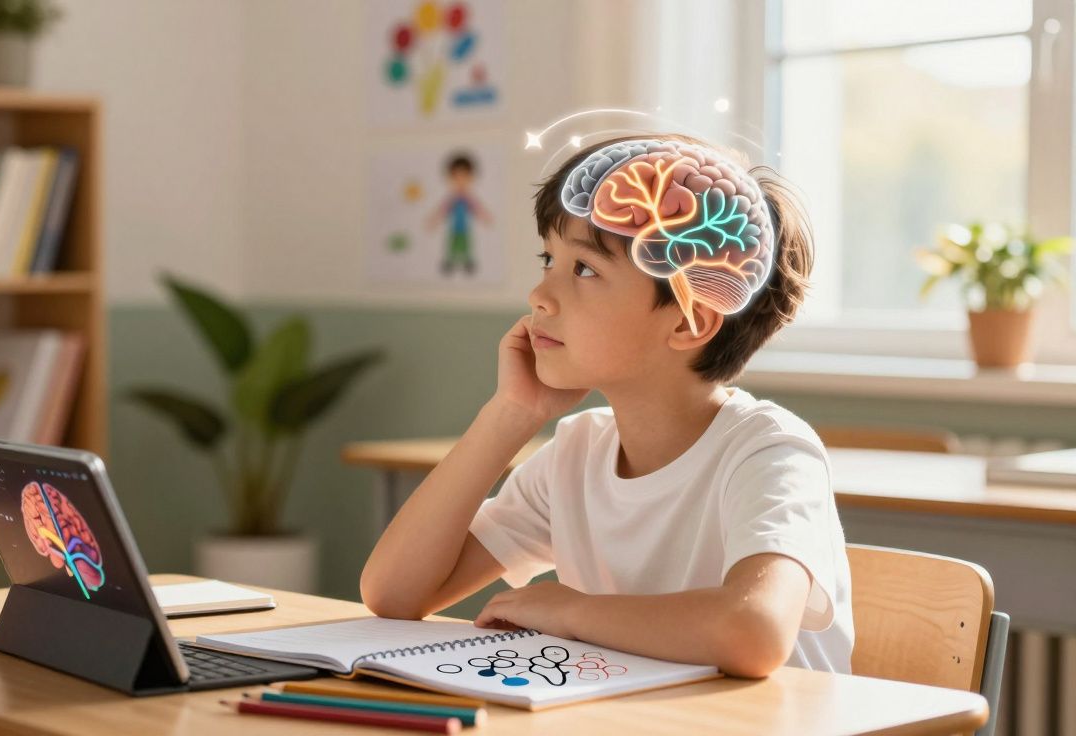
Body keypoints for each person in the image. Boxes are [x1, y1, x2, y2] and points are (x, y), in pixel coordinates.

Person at [361, 132, 853, 678]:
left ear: (689, 321)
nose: (539, 295)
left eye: (585, 269)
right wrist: (511, 414)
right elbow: (394, 593)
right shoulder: (576, 455)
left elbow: (753, 632)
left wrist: (573, 612)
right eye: (548, 258)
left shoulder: (770, 452)